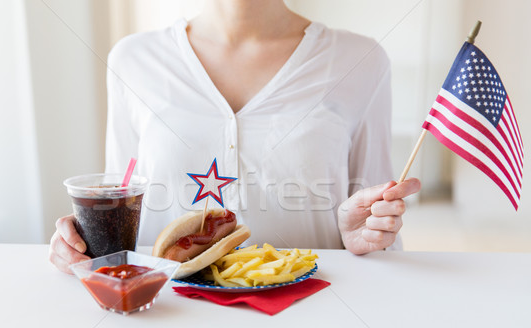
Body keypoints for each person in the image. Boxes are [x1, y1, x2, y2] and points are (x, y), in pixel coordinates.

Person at [49, 0, 421, 273]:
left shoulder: (360, 60)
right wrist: (85, 245)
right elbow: (120, 205)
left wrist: (366, 240)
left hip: (312, 316)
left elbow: (380, 220)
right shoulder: (133, 59)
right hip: (169, 319)